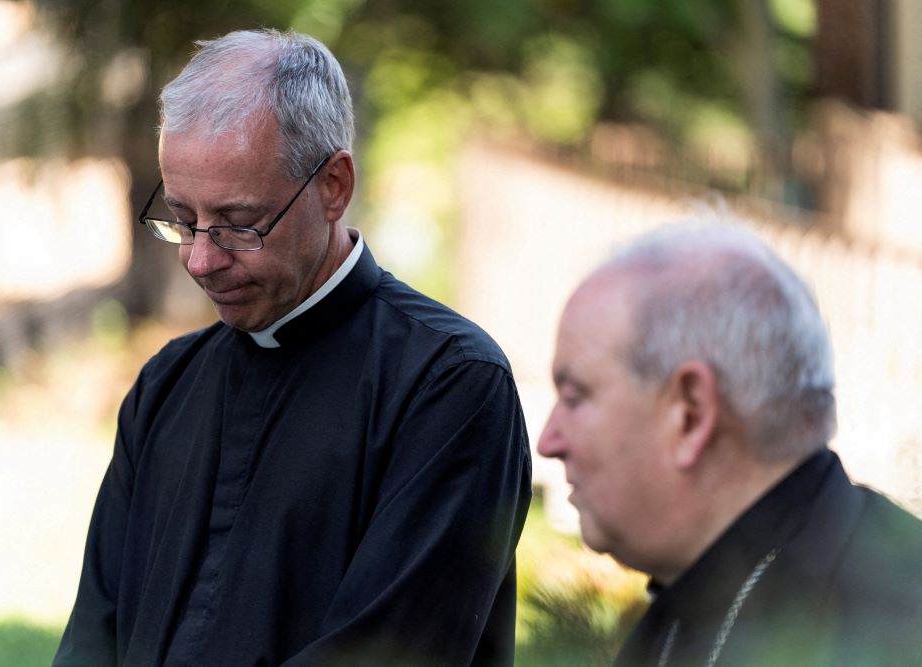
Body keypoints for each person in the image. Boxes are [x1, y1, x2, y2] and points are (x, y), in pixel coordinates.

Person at [54, 29, 531, 667]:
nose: (200, 258)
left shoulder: (448, 385)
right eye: (183, 217)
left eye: (238, 223)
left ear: (334, 185)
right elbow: (95, 636)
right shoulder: (168, 384)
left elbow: (386, 654)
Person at [537, 221, 922, 666]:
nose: (549, 441)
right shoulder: (697, 591)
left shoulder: (893, 629)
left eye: (574, 397)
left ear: (691, 413)